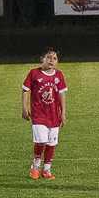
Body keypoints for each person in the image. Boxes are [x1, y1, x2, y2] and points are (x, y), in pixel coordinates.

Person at [20, 47, 67, 181]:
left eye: (54, 58)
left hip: (54, 115)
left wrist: (63, 113)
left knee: (51, 144)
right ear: (42, 59)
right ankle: (35, 167)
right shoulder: (34, 73)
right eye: (49, 58)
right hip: (39, 115)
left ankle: (46, 169)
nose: (52, 60)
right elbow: (25, 90)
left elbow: (62, 94)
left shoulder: (59, 75)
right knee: (41, 141)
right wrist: (24, 107)